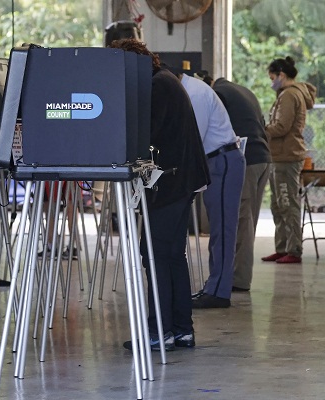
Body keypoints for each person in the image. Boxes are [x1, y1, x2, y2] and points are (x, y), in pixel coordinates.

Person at [110, 39, 210, 351]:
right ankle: (181, 330)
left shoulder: (158, 86)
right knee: (170, 256)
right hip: (180, 181)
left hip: (170, 184)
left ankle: (159, 332)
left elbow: (146, 135)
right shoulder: (165, 79)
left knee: (152, 255)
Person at [168, 67, 246, 309]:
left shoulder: (196, 94)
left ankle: (219, 293)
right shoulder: (191, 90)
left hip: (222, 160)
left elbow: (193, 139)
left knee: (223, 230)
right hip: (217, 161)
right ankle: (215, 286)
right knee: (218, 229)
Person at [206, 74, 272, 291]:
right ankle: (240, 276)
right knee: (248, 221)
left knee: (240, 222)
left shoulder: (217, 95)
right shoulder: (244, 91)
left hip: (246, 160)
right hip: (263, 158)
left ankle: (237, 280)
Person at [261, 57, 316, 264]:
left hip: (287, 157)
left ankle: (293, 250)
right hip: (281, 156)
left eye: (272, 77)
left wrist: (261, 130)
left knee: (287, 203)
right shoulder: (288, 94)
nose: (271, 82)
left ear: (282, 75)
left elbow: (282, 126)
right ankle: (282, 247)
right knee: (278, 204)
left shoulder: (290, 95)